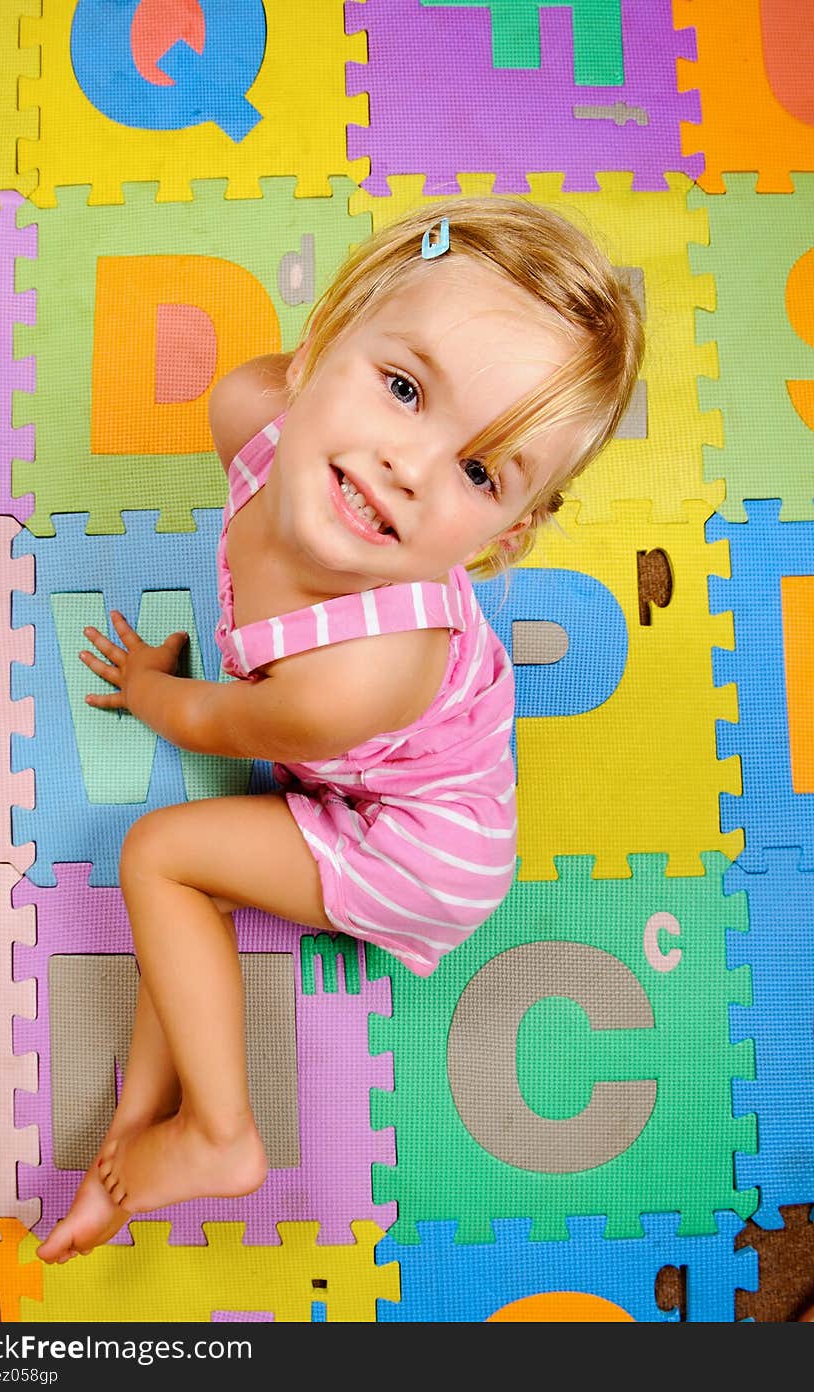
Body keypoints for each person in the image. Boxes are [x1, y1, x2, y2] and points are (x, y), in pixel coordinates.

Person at [36, 196, 644, 1263]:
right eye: (403, 388)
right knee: (195, 896)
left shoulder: (350, 679)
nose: (405, 463)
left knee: (162, 858)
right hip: (357, 769)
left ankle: (225, 1136)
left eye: (477, 471)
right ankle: (134, 1141)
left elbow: (216, 718)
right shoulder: (251, 412)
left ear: (504, 539)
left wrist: (146, 688)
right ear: (322, 337)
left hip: (422, 846)